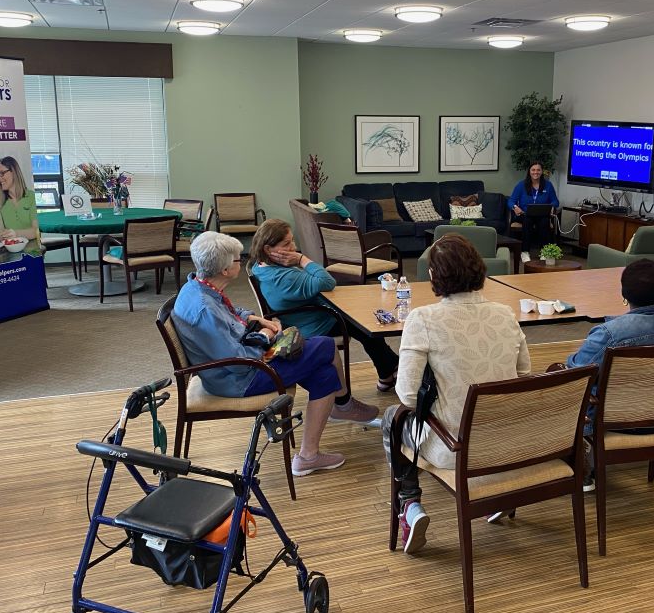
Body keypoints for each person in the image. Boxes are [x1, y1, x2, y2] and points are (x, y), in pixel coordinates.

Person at [382, 234, 531, 554]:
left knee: (392, 419)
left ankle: (410, 505)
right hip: (507, 441)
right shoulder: (506, 313)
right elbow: (523, 374)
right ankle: (498, 496)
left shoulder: (423, 319)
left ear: (434, 276)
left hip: (456, 447)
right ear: (479, 269)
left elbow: (407, 395)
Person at [172, 231, 348, 477]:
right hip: (240, 379)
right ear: (224, 270)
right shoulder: (204, 309)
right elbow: (239, 362)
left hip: (232, 369)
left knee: (324, 372)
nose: (240, 261)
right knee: (325, 346)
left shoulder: (198, 286)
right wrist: (265, 337)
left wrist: (253, 318)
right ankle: (341, 407)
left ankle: (310, 455)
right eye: (236, 259)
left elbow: (230, 316)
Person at [249, 218, 395, 422]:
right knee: (367, 327)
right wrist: (301, 259)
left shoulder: (260, 266)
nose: (294, 247)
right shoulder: (284, 278)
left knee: (366, 328)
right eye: (287, 244)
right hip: (316, 323)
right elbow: (327, 281)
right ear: (268, 248)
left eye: (293, 241)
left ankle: (388, 372)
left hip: (310, 315)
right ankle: (393, 370)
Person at [566, 258, 654, 474]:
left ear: (624, 295)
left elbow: (577, 373)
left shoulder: (609, 333)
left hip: (620, 421)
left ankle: (583, 471)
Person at [507, 162, 559, 252]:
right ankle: (525, 252)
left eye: (538, 170)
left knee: (544, 221)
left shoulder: (548, 185)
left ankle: (545, 251)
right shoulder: (521, 185)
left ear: (542, 172)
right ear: (529, 172)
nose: (536, 172)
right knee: (527, 221)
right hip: (524, 214)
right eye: (533, 170)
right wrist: (515, 207)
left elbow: (555, 201)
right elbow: (510, 201)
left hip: (541, 215)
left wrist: (552, 207)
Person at [0, 156, 40, 245]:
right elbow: (0, 234)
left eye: (2, 173)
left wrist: (16, 234)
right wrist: (0, 236)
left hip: (35, 251)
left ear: (14, 172)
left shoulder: (31, 197)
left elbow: (36, 230)